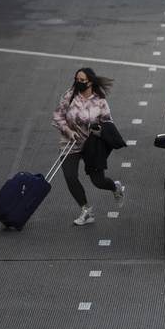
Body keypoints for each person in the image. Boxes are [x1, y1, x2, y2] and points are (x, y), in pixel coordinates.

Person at [52, 68, 126, 226]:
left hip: (91, 145)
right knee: (70, 177)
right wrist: (68, 131)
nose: (78, 82)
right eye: (76, 79)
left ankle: (115, 187)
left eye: (82, 80)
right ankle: (86, 210)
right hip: (69, 143)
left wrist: (98, 130)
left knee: (98, 181)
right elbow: (58, 115)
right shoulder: (69, 95)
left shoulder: (100, 101)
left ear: (90, 82)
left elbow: (108, 123)